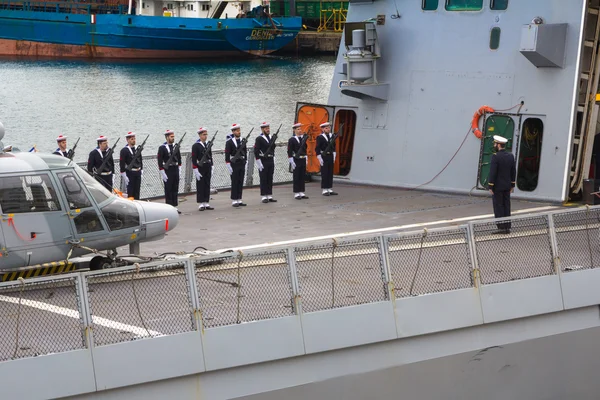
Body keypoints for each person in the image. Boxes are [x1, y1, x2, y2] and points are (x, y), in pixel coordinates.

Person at [488, 135, 516, 234]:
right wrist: (512, 184)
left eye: (495, 144)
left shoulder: (495, 157)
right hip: (507, 186)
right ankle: (507, 226)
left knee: (498, 206)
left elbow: (493, 172)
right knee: (507, 205)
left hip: (498, 187)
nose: (495, 145)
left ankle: (501, 227)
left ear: (499, 145)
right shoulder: (510, 156)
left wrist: (490, 185)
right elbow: (513, 171)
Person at [157, 129, 182, 213]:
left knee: (175, 187)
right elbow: (160, 161)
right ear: (167, 137)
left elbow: (179, 158)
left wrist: (179, 168)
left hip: (175, 168)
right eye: (171, 137)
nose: (173, 138)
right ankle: (169, 206)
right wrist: (162, 172)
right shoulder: (162, 148)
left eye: (173, 136)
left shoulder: (176, 146)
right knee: (168, 188)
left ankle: (175, 205)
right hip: (167, 169)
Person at [225, 123, 247, 208]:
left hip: (241, 162)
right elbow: (227, 154)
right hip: (234, 163)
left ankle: (239, 199)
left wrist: (246, 161)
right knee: (234, 181)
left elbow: (245, 152)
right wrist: (228, 164)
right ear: (233, 131)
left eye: (239, 130)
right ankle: (234, 200)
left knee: (240, 181)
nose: (239, 132)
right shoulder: (229, 142)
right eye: (237, 130)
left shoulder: (243, 140)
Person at [192, 127, 214, 211]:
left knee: (207, 184)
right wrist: (195, 169)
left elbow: (210, 156)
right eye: (204, 135)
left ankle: (206, 202)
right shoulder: (196, 146)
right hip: (200, 167)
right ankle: (201, 203)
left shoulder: (208, 144)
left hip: (207, 165)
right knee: (200, 185)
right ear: (200, 135)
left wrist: (212, 165)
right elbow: (194, 159)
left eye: (206, 134)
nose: (205, 136)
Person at [254, 121, 277, 203]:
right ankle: (264, 196)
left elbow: (272, 148)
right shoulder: (259, 138)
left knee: (270, 177)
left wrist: (274, 157)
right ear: (262, 129)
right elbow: (256, 151)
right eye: (266, 128)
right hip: (263, 160)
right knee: (263, 178)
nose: (268, 130)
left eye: (268, 128)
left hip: (270, 159)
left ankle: (269, 195)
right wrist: (258, 162)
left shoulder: (271, 137)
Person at [315, 121, 337, 196]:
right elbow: (317, 148)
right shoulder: (320, 137)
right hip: (324, 156)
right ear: (323, 129)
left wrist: (334, 155)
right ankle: (324, 189)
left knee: (330, 172)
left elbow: (334, 147)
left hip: (330, 155)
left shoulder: (332, 136)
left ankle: (329, 188)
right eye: (326, 128)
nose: (328, 129)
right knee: (325, 173)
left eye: (329, 128)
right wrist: (319, 157)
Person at [119, 132, 143, 200]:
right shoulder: (124, 150)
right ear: (128, 140)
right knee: (130, 191)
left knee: (137, 190)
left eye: (134, 138)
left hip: (137, 171)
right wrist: (123, 174)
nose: (134, 140)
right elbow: (122, 163)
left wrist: (141, 170)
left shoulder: (137, 149)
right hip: (130, 172)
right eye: (132, 139)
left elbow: (140, 159)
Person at [287, 122, 308, 199]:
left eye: (300, 129)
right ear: (294, 130)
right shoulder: (292, 139)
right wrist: (291, 160)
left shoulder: (302, 139)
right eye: (298, 129)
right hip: (296, 159)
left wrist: (306, 158)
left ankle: (301, 191)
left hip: (302, 158)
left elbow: (305, 148)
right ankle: (296, 192)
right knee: (296, 176)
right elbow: (289, 151)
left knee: (302, 175)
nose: (300, 130)